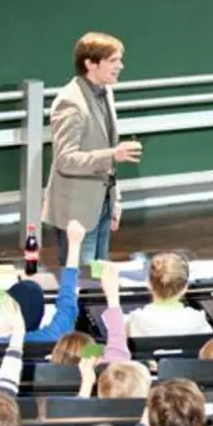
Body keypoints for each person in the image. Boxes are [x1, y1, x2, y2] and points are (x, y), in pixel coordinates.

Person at [43, 31, 144, 265]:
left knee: (100, 275)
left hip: (102, 202)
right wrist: (113, 155)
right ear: (90, 63)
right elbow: (66, 159)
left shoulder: (106, 91)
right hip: (78, 209)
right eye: (113, 61)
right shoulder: (70, 102)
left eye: (120, 60)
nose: (121, 66)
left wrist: (114, 200)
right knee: (80, 278)